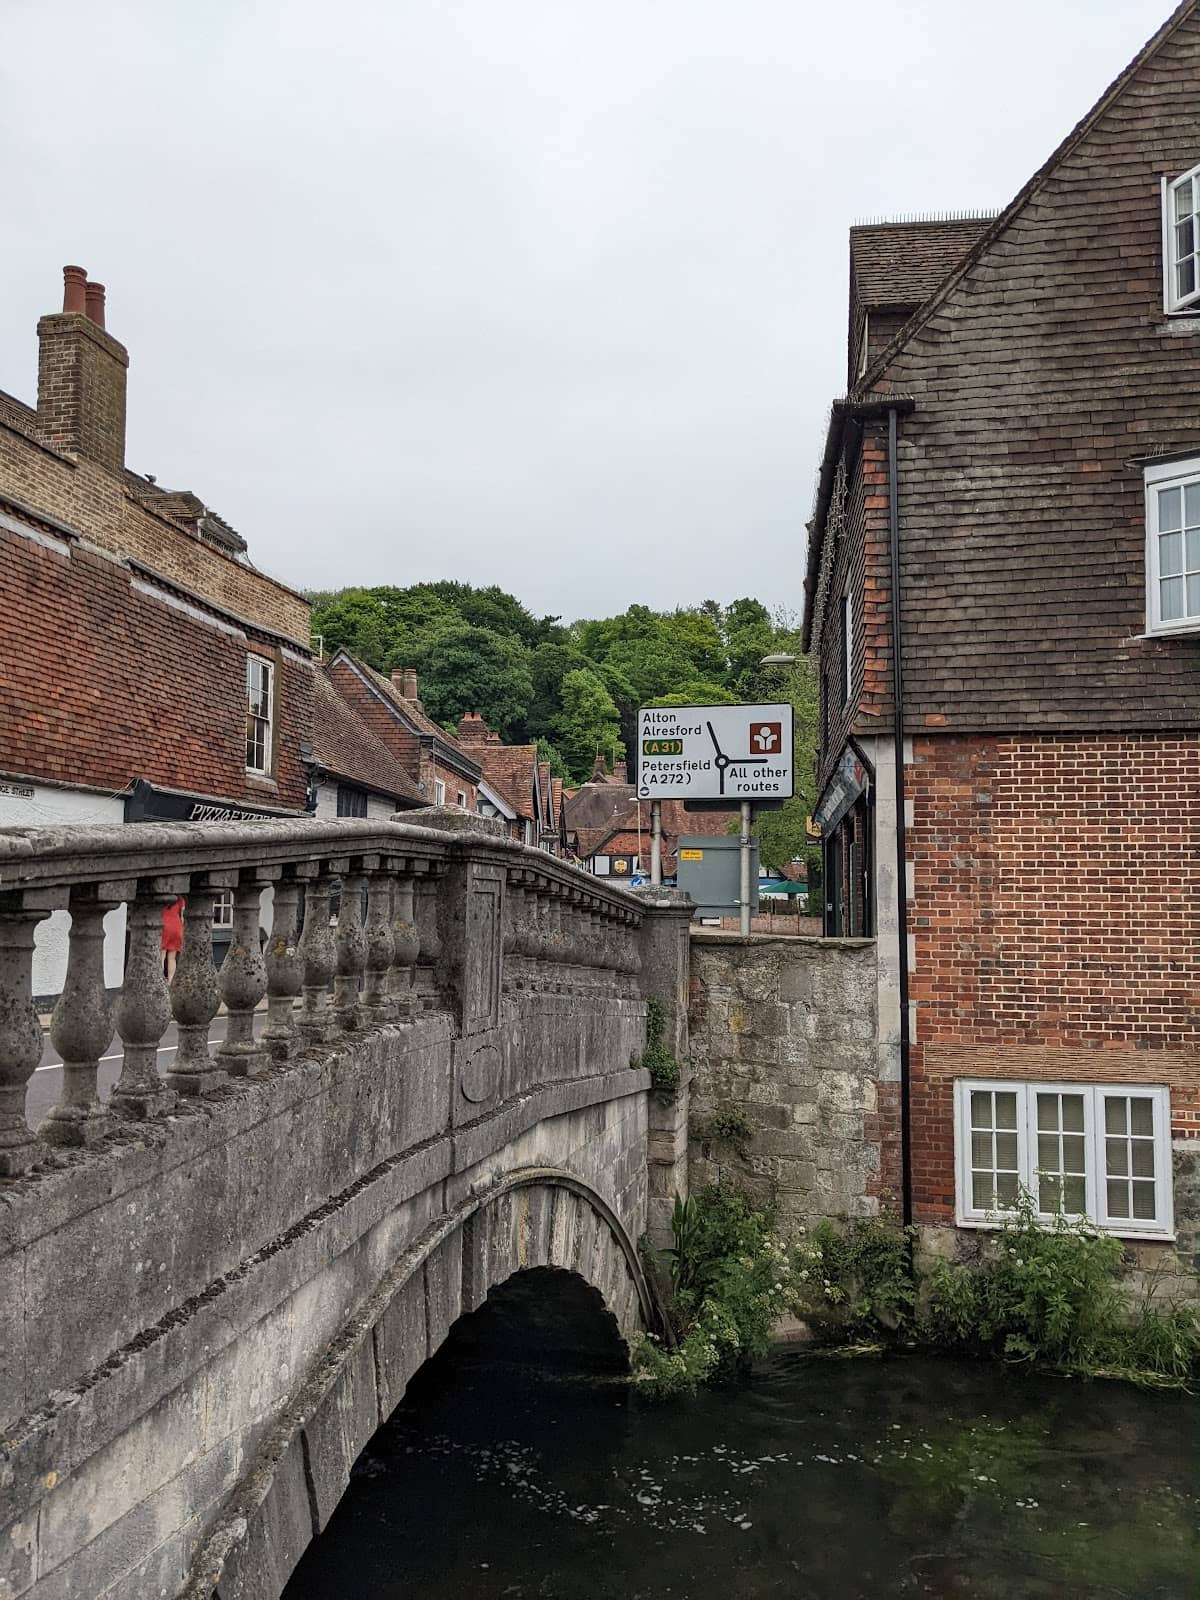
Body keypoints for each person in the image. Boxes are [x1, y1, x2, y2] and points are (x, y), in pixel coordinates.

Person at [161, 897, 185, 982]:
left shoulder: (163, 897)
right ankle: (170, 981)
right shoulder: (180, 899)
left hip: (164, 926)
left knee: (161, 956)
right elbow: (182, 917)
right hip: (176, 927)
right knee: (172, 958)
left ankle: (160, 979)